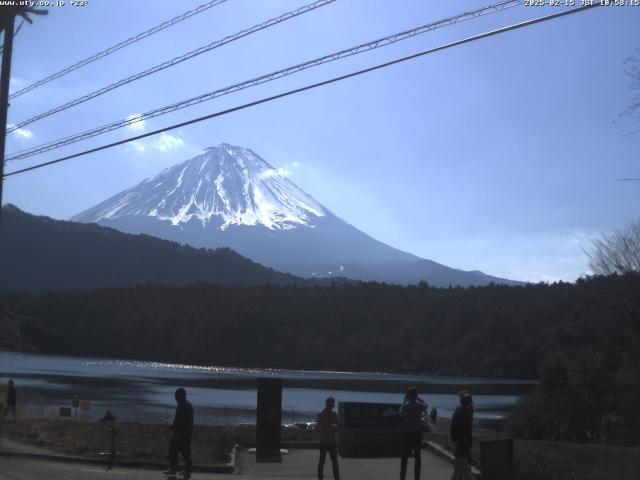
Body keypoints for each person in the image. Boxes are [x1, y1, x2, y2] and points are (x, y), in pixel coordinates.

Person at [163, 387, 193, 478]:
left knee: (173, 450)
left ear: (180, 396)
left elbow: (180, 422)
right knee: (185, 453)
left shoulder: (182, 405)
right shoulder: (188, 404)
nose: (175, 398)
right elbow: (184, 421)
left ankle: (173, 469)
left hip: (180, 433)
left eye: (176, 396)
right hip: (187, 433)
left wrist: (171, 426)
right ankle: (186, 471)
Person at [400, 386, 425, 480]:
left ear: (408, 396)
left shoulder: (405, 406)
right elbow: (425, 404)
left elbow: (400, 413)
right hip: (417, 434)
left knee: (404, 457)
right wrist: (418, 398)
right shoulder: (420, 406)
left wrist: (404, 401)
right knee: (417, 457)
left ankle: (402, 477)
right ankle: (417, 477)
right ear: (416, 395)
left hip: (407, 433)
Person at [449, 391, 474, 480]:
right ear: (468, 403)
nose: (472, 404)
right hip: (460, 444)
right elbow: (454, 431)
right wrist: (457, 444)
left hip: (463, 444)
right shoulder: (460, 413)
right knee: (458, 473)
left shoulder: (466, 412)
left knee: (464, 472)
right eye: (471, 402)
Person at [317, 396, 340, 480]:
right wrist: (332, 427)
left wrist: (336, 427)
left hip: (333, 442)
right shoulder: (321, 414)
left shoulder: (334, 414)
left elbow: (337, 426)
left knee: (335, 462)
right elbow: (320, 428)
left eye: (333, 404)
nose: (333, 406)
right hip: (324, 442)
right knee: (322, 462)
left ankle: (337, 478)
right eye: (331, 404)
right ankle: (320, 477)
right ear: (327, 403)